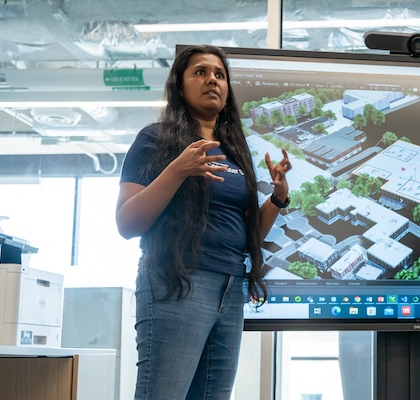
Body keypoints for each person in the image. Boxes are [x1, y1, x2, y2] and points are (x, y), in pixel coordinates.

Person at [115, 44, 292, 400]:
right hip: (178, 282)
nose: (212, 79)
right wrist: (177, 171)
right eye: (200, 72)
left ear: (227, 92)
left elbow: (247, 235)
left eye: (220, 74)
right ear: (179, 86)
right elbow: (126, 222)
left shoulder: (234, 153)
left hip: (231, 288)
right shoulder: (155, 139)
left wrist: (277, 198)